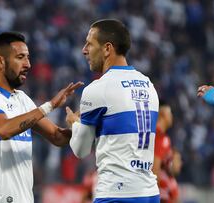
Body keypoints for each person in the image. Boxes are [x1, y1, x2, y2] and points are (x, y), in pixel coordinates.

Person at [0, 32, 83, 203]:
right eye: (20, 57)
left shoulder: (22, 99)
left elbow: (57, 137)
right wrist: (50, 105)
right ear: (0, 61)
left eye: (28, 58)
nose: (28, 64)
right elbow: (4, 129)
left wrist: (81, 126)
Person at [66, 19, 160, 203]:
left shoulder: (98, 89)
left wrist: (74, 123)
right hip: (149, 193)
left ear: (107, 48)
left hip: (116, 194)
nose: (84, 50)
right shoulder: (149, 85)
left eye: (90, 44)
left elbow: (81, 149)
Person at [152, 102, 182, 203]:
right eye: (170, 113)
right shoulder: (161, 138)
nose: (172, 117)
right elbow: (155, 168)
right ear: (163, 114)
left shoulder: (155, 134)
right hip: (161, 193)